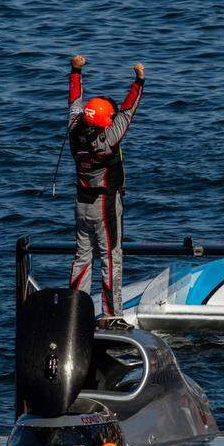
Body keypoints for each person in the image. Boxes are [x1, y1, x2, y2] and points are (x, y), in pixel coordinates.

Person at [67, 55, 145, 317]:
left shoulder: (74, 129)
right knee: (111, 258)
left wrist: (76, 70)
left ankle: (75, 312)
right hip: (105, 205)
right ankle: (111, 316)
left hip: (81, 203)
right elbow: (128, 111)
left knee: (82, 258)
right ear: (104, 121)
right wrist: (139, 80)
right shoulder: (108, 140)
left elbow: (74, 101)